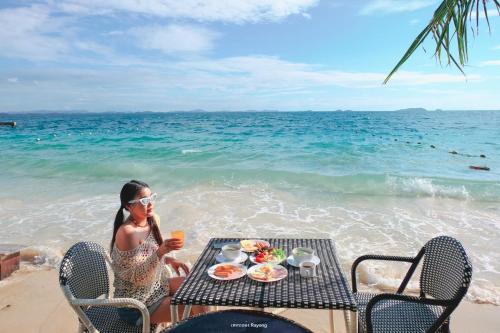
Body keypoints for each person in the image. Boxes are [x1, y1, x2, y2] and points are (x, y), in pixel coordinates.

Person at [110, 180, 207, 327]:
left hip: (157, 288)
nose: (150, 204)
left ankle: (211, 326)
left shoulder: (153, 219)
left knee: (200, 288)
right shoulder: (126, 233)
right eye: (144, 200)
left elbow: (147, 256)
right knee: (195, 305)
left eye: (151, 198)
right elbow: (137, 277)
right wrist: (161, 252)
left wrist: (169, 259)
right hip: (135, 305)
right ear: (128, 206)